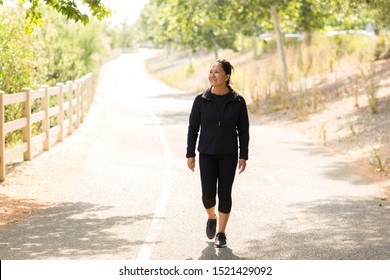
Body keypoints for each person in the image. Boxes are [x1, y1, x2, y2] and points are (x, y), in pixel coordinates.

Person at [186, 59, 250, 248]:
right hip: (206, 153)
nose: (212, 75)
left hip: (228, 154)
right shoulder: (201, 99)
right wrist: (190, 154)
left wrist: (243, 155)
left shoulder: (237, 101)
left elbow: (243, 130)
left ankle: (221, 233)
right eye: (210, 72)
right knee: (207, 195)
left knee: (225, 194)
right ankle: (211, 217)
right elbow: (193, 128)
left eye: (217, 72)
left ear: (227, 76)